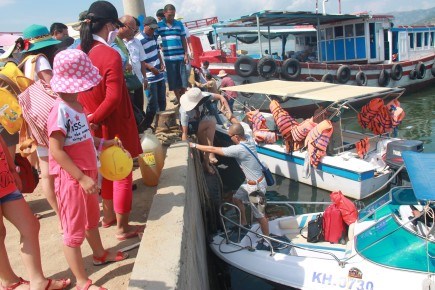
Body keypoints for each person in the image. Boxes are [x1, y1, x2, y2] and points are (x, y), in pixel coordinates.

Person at [48, 49, 128, 290]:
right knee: (73, 231)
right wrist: (81, 177)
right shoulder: (60, 110)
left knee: (92, 220)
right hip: (72, 178)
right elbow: (57, 150)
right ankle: (82, 280)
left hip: (88, 173)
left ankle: (99, 253)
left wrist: (106, 143)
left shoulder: (78, 106)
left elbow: (84, 138)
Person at [78, 1, 144, 240]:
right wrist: (96, 117)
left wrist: (90, 118)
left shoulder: (83, 52)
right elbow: (114, 97)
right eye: (115, 25)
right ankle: (123, 228)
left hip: (94, 123)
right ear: (109, 25)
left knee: (104, 171)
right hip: (114, 121)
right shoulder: (109, 54)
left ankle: (107, 218)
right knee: (122, 172)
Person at [0, 135, 71, 290]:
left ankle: (38, 281)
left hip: (4, 178)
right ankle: (9, 282)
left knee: (30, 226)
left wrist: (12, 169)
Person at [189, 123, 270, 236]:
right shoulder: (249, 138)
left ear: (236, 137)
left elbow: (212, 149)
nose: (229, 138)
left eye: (230, 136)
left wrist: (194, 145)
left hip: (256, 187)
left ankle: (267, 241)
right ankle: (244, 223)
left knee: (261, 217)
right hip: (251, 183)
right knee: (236, 198)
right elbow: (236, 122)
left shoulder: (239, 150)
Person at [21, 24, 61, 221]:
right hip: (48, 117)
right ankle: (66, 210)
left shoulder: (25, 61)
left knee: (46, 172)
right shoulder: (42, 60)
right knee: (60, 165)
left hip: (34, 118)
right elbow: (53, 86)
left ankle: (59, 214)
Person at [179, 88, 234, 174]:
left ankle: (207, 161)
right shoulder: (184, 112)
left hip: (199, 121)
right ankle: (210, 155)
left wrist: (229, 111)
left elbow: (221, 97)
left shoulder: (203, 96)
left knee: (204, 143)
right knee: (212, 122)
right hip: (189, 125)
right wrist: (187, 150)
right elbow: (184, 132)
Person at [117, 15, 148, 127]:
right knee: (132, 111)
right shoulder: (115, 41)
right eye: (132, 29)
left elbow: (142, 61)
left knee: (139, 108)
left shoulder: (136, 42)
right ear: (124, 26)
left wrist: (144, 78)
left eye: (135, 30)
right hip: (126, 85)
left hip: (136, 80)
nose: (134, 32)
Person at [155, 4, 189, 102]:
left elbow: (183, 38)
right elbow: (154, 40)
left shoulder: (179, 24)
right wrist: (158, 55)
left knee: (184, 81)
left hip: (181, 57)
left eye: (173, 15)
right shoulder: (159, 26)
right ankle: (180, 100)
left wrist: (186, 54)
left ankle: (183, 99)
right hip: (169, 59)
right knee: (173, 82)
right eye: (170, 15)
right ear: (164, 14)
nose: (172, 17)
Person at [139, 16, 166, 130]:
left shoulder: (154, 36)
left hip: (159, 74)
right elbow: (139, 60)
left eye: (154, 29)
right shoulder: (139, 40)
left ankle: (162, 123)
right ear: (145, 26)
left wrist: (161, 62)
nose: (153, 31)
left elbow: (157, 51)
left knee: (162, 101)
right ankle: (146, 126)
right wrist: (151, 67)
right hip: (150, 76)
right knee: (152, 104)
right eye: (151, 28)